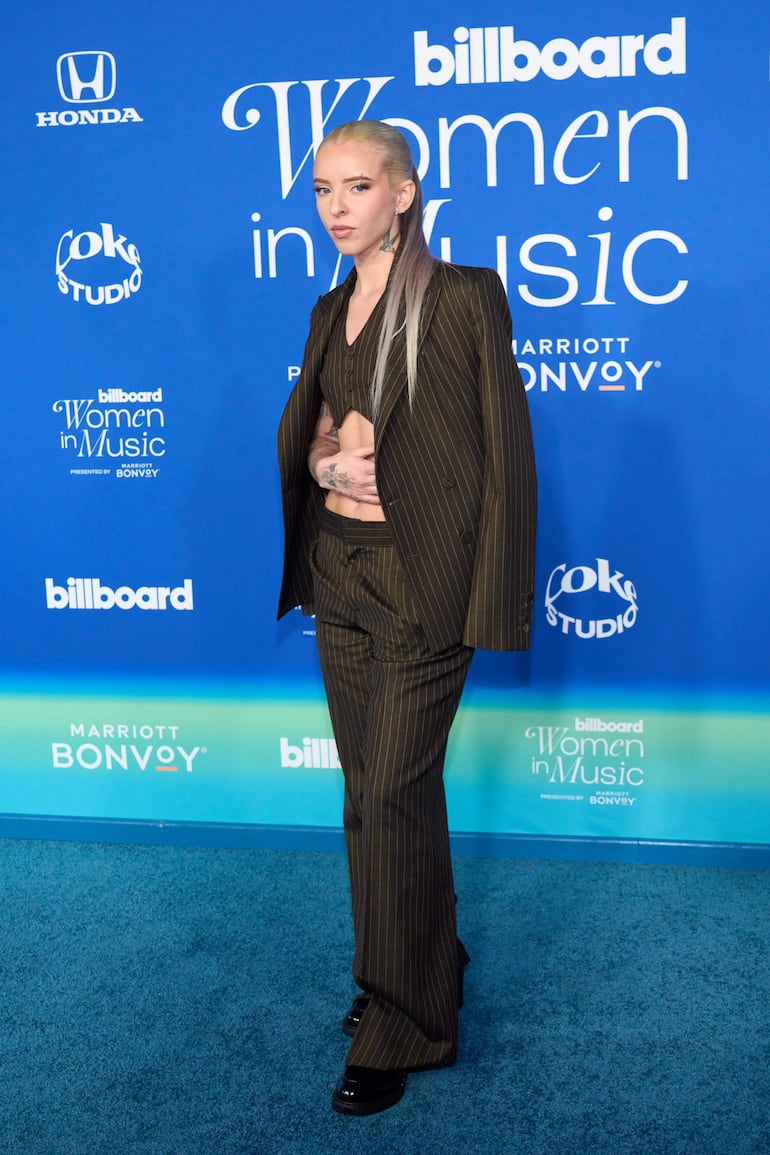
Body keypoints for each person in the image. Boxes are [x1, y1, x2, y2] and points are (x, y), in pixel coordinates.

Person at [277, 119, 536, 1116]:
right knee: (365, 796)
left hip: (423, 584)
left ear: (404, 194)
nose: (337, 207)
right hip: (337, 574)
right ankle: (412, 963)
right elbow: (316, 436)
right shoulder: (324, 309)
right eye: (321, 191)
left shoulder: (465, 297)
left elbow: (504, 460)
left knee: (390, 790)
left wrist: (489, 602)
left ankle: (410, 1022)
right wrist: (324, 467)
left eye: (357, 187)